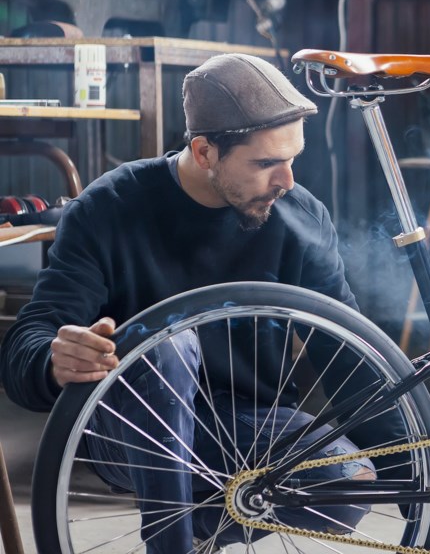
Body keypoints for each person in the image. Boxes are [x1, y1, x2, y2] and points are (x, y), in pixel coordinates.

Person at [0, 54, 385, 552]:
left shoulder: (301, 218)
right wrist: (56, 358)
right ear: (204, 152)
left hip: (245, 422)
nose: (287, 180)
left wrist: (424, 491)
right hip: (132, 426)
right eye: (267, 163)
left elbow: (350, 357)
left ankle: (193, 529)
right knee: (168, 340)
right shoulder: (108, 209)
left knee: (349, 481)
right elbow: (25, 345)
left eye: (293, 158)